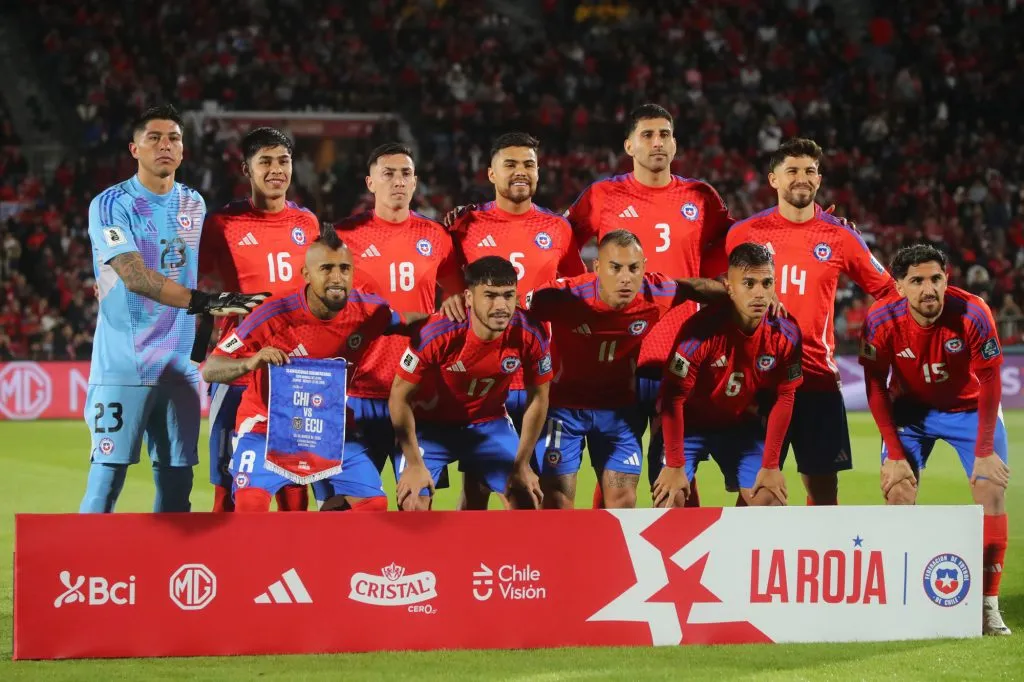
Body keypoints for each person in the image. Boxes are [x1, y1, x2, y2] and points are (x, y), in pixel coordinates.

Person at [79, 104, 266, 513]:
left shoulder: (194, 204)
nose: (165, 145)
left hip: (179, 368)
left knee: (177, 485)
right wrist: (204, 302)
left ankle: (168, 576)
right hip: (124, 366)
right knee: (106, 480)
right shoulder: (111, 204)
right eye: (154, 138)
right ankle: (86, 571)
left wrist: (202, 339)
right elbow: (134, 275)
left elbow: (198, 275)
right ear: (134, 149)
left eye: (174, 138)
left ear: (183, 150)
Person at [566, 104, 734, 509]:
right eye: (647, 135)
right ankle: (606, 559)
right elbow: (560, 240)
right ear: (629, 145)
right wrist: (589, 285)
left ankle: (678, 565)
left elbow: (728, 245)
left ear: (675, 143)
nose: (657, 142)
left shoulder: (700, 196)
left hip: (682, 348)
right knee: (614, 470)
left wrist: (711, 290)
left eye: (665, 134)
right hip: (618, 352)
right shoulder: (604, 194)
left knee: (676, 470)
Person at [201, 228, 426, 512]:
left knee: (374, 505)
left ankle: (328, 554)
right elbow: (212, 368)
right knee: (250, 507)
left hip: (329, 428)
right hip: (266, 427)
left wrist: (453, 314)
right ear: (306, 274)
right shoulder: (273, 313)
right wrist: (251, 362)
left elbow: (410, 322)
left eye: (345, 268)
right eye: (327, 268)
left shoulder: (369, 310)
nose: (337, 277)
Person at [726, 137, 896, 506]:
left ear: (819, 179)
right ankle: (747, 564)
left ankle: (810, 563)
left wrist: (881, 336)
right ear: (773, 180)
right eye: (792, 171)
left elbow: (888, 291)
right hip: (759, 382)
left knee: (823, 499)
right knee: (756, 497)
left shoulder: (840, 236)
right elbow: (717, 290)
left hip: (817, 379)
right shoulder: (743, 234)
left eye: (810, 171)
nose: (802, 178)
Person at [859, 244, 1010, 636]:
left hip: (970, 411)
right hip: (910, 413)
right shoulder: (879, 320)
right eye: (917, 281)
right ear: (899, 286)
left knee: (991, 490)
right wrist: (894, 453)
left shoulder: (973, 311)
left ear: (947, 279)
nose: (929, 289)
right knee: (898, 492)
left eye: (936, 279)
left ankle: (987, 607)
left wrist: (984, 451)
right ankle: (901, 599)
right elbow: (875, 385)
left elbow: (991, 380)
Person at [524, 230, 725, 509]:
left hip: (618, 411)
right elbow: (516, 309)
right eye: (615, 267)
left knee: (624, 502)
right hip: (564, 411)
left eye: (633, 268)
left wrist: (739, 294)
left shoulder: (656, 292)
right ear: (597, 267)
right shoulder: (564, 296)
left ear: (644, 266)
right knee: (557, 503)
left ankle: (606, 553)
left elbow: (693, 288)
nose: (625, 277)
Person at [198, 126, 321, 512]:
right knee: (227, 484)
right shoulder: (221, 224)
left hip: (296, 369)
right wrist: (235, 304)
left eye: (283, 161)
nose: (276, 170)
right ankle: (226, 570)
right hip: (238, 363)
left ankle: (295, 569)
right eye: (265, 161)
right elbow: (197, 295)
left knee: (296, 487)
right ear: (246, 169)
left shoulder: (308, 224)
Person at [334, 143, 459, 496]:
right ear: (370, 182)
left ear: (416, 182)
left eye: (405, 174)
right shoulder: (344, 237)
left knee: (418, 501)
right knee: (348, 507)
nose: (398, 181)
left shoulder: (436, 236)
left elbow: (458, 298)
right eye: (388, 173)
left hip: (415, 392)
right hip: (355, 391)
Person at [390, 256, 552, 511]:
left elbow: (540, 397)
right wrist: (413, 464)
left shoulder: (530, 332)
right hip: (430, 428)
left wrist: (522, 463)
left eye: (508, 295)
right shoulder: (438, 332)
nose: (501, 305)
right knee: (413, 504)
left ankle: (493, 552)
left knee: (525, 500)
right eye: (490, 295)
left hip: (488, 423)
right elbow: (399, 396)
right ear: (468, 297)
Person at [659, 243, 803, 507]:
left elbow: (786, 395)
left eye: (766, 283)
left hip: (741, 428)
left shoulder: (786, 332)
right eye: (749, 283)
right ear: (729, 286)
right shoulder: (700, 331)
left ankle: (735, 547)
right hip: (689, 427)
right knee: (670, 497)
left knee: (769, 498)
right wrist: (675, 464)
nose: (759, 293)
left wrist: (771, 466)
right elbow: (672, 397)